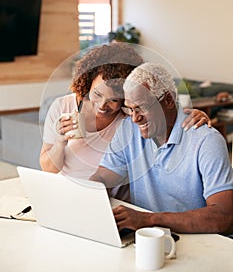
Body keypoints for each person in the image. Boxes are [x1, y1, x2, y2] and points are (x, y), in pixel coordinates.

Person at [40, 43, 210, 199]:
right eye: (97, 94)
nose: (102, 106)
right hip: (66, 193)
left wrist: (192, 115)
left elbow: (163, 117)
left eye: (113, 100)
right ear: (88, 82)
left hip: (112, 201)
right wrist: (60, 142)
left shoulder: (130, 118)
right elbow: (48, 169)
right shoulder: (62, 107)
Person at [90, 62, 233, 234]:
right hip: (145, 238)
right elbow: (103, 176)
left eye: (141, 107)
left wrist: (149, 220)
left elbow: (223, 216)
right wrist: (87, 194)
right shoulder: (128, 130)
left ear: (168, 100)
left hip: (194, 239)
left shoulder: (206, 141)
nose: (135, 119)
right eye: (130, 109)